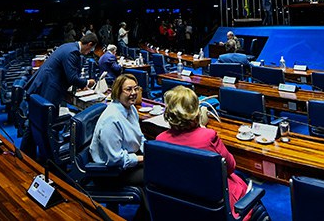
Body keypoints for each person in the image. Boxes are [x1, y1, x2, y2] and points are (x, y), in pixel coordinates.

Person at [156, 86, 250, 219]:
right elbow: (230, 167)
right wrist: (202, 128)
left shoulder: (160, 140)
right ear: (196, 111)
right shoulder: (208, 136)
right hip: (213, 203)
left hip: (179, 204)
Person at [90, 73, 147, 220]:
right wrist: (142, 158)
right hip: (112, 172)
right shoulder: (112, 119)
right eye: (128, 89)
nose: (133, 93)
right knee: (155, 175)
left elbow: (140, 137)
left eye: (136, 88)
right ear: (117, 91)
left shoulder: (131, 109)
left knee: (158, 170)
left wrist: (149, 151)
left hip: (128, 162)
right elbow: (115, 159)